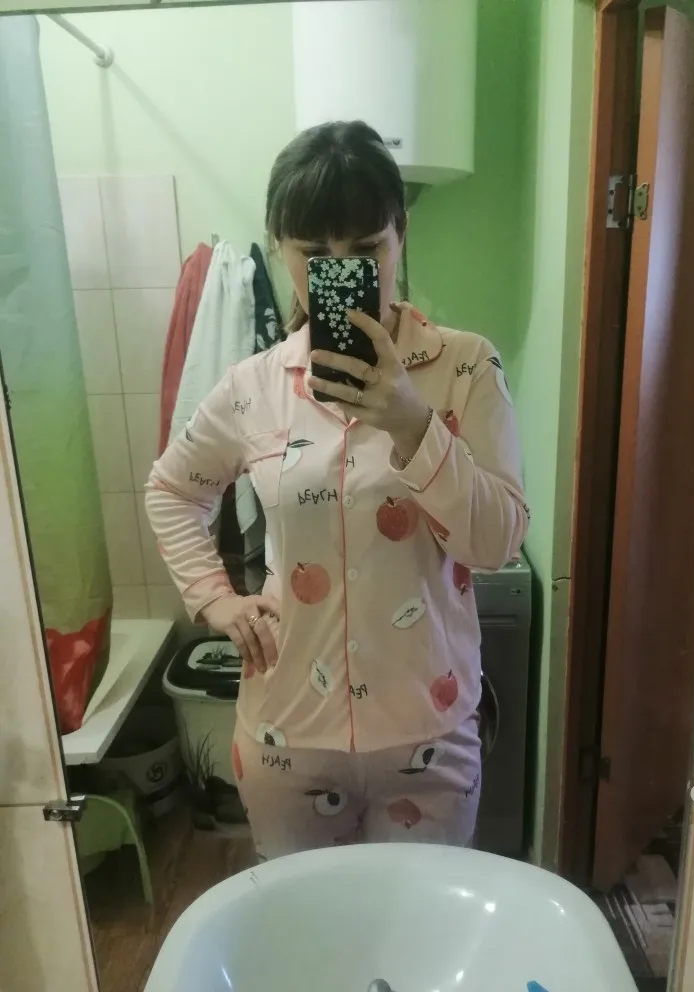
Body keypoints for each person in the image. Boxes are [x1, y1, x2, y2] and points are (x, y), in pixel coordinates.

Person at [146, 120, 529, 860]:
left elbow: (497, 540)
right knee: (306, 923)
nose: (343, 270)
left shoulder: (466, 369)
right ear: (280, 248)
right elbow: (170, 491)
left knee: (418, 922)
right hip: (288, 732)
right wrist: (217, 600)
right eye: (315, 255)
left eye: (366, 248)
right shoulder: (252, 388)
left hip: (429, 728)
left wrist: (414, 425)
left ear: (402, 233)